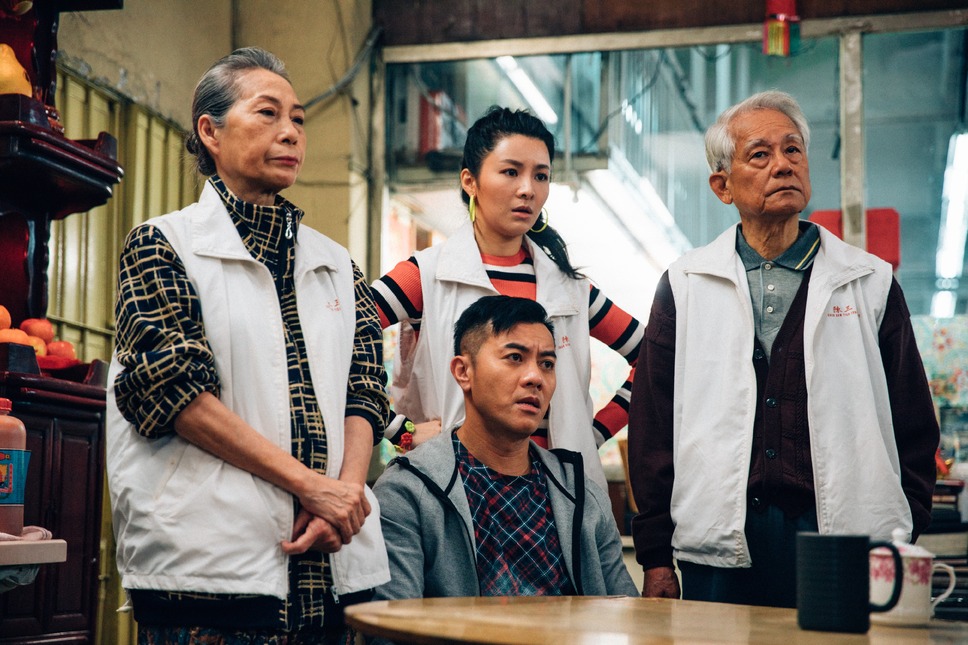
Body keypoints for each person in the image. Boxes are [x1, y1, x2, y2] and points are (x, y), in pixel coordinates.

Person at [105, 47, 390, 643]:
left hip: (331, 561)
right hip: (211, 573)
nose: (290, 132)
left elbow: (365, 388)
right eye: (267, 113)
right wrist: (310, 486)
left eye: (299, 119)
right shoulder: (162, 245)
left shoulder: (337, 264)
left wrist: (343, 493)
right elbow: (175, 395)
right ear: (209, 131)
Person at [627, 90, 939, 608]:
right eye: (760, 154)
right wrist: (656, 554)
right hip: (719, 542)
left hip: (844, 542)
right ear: (722, 186)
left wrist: (904, 521)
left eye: (793, 151)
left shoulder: (869, 281)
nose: (783, 165)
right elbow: (654, 425)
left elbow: (912, 421)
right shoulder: (685, 284)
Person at [372, 106, 644, 489]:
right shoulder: (427, 274)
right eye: (511, 171)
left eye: (541, 175)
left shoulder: (570, 288)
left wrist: (591, 433)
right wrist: (400, 431)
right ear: (470, 181)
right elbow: (329, 337)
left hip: (554, 494)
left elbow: (653, 357)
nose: (528, 189)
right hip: (454, 487)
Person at [373, 295, 638, 599]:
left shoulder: (580, 493)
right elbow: (393, 628)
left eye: (547, 364)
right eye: (514, 357)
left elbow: (625, 610)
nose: (535, 378)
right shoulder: (408, 491)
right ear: (463, 371)